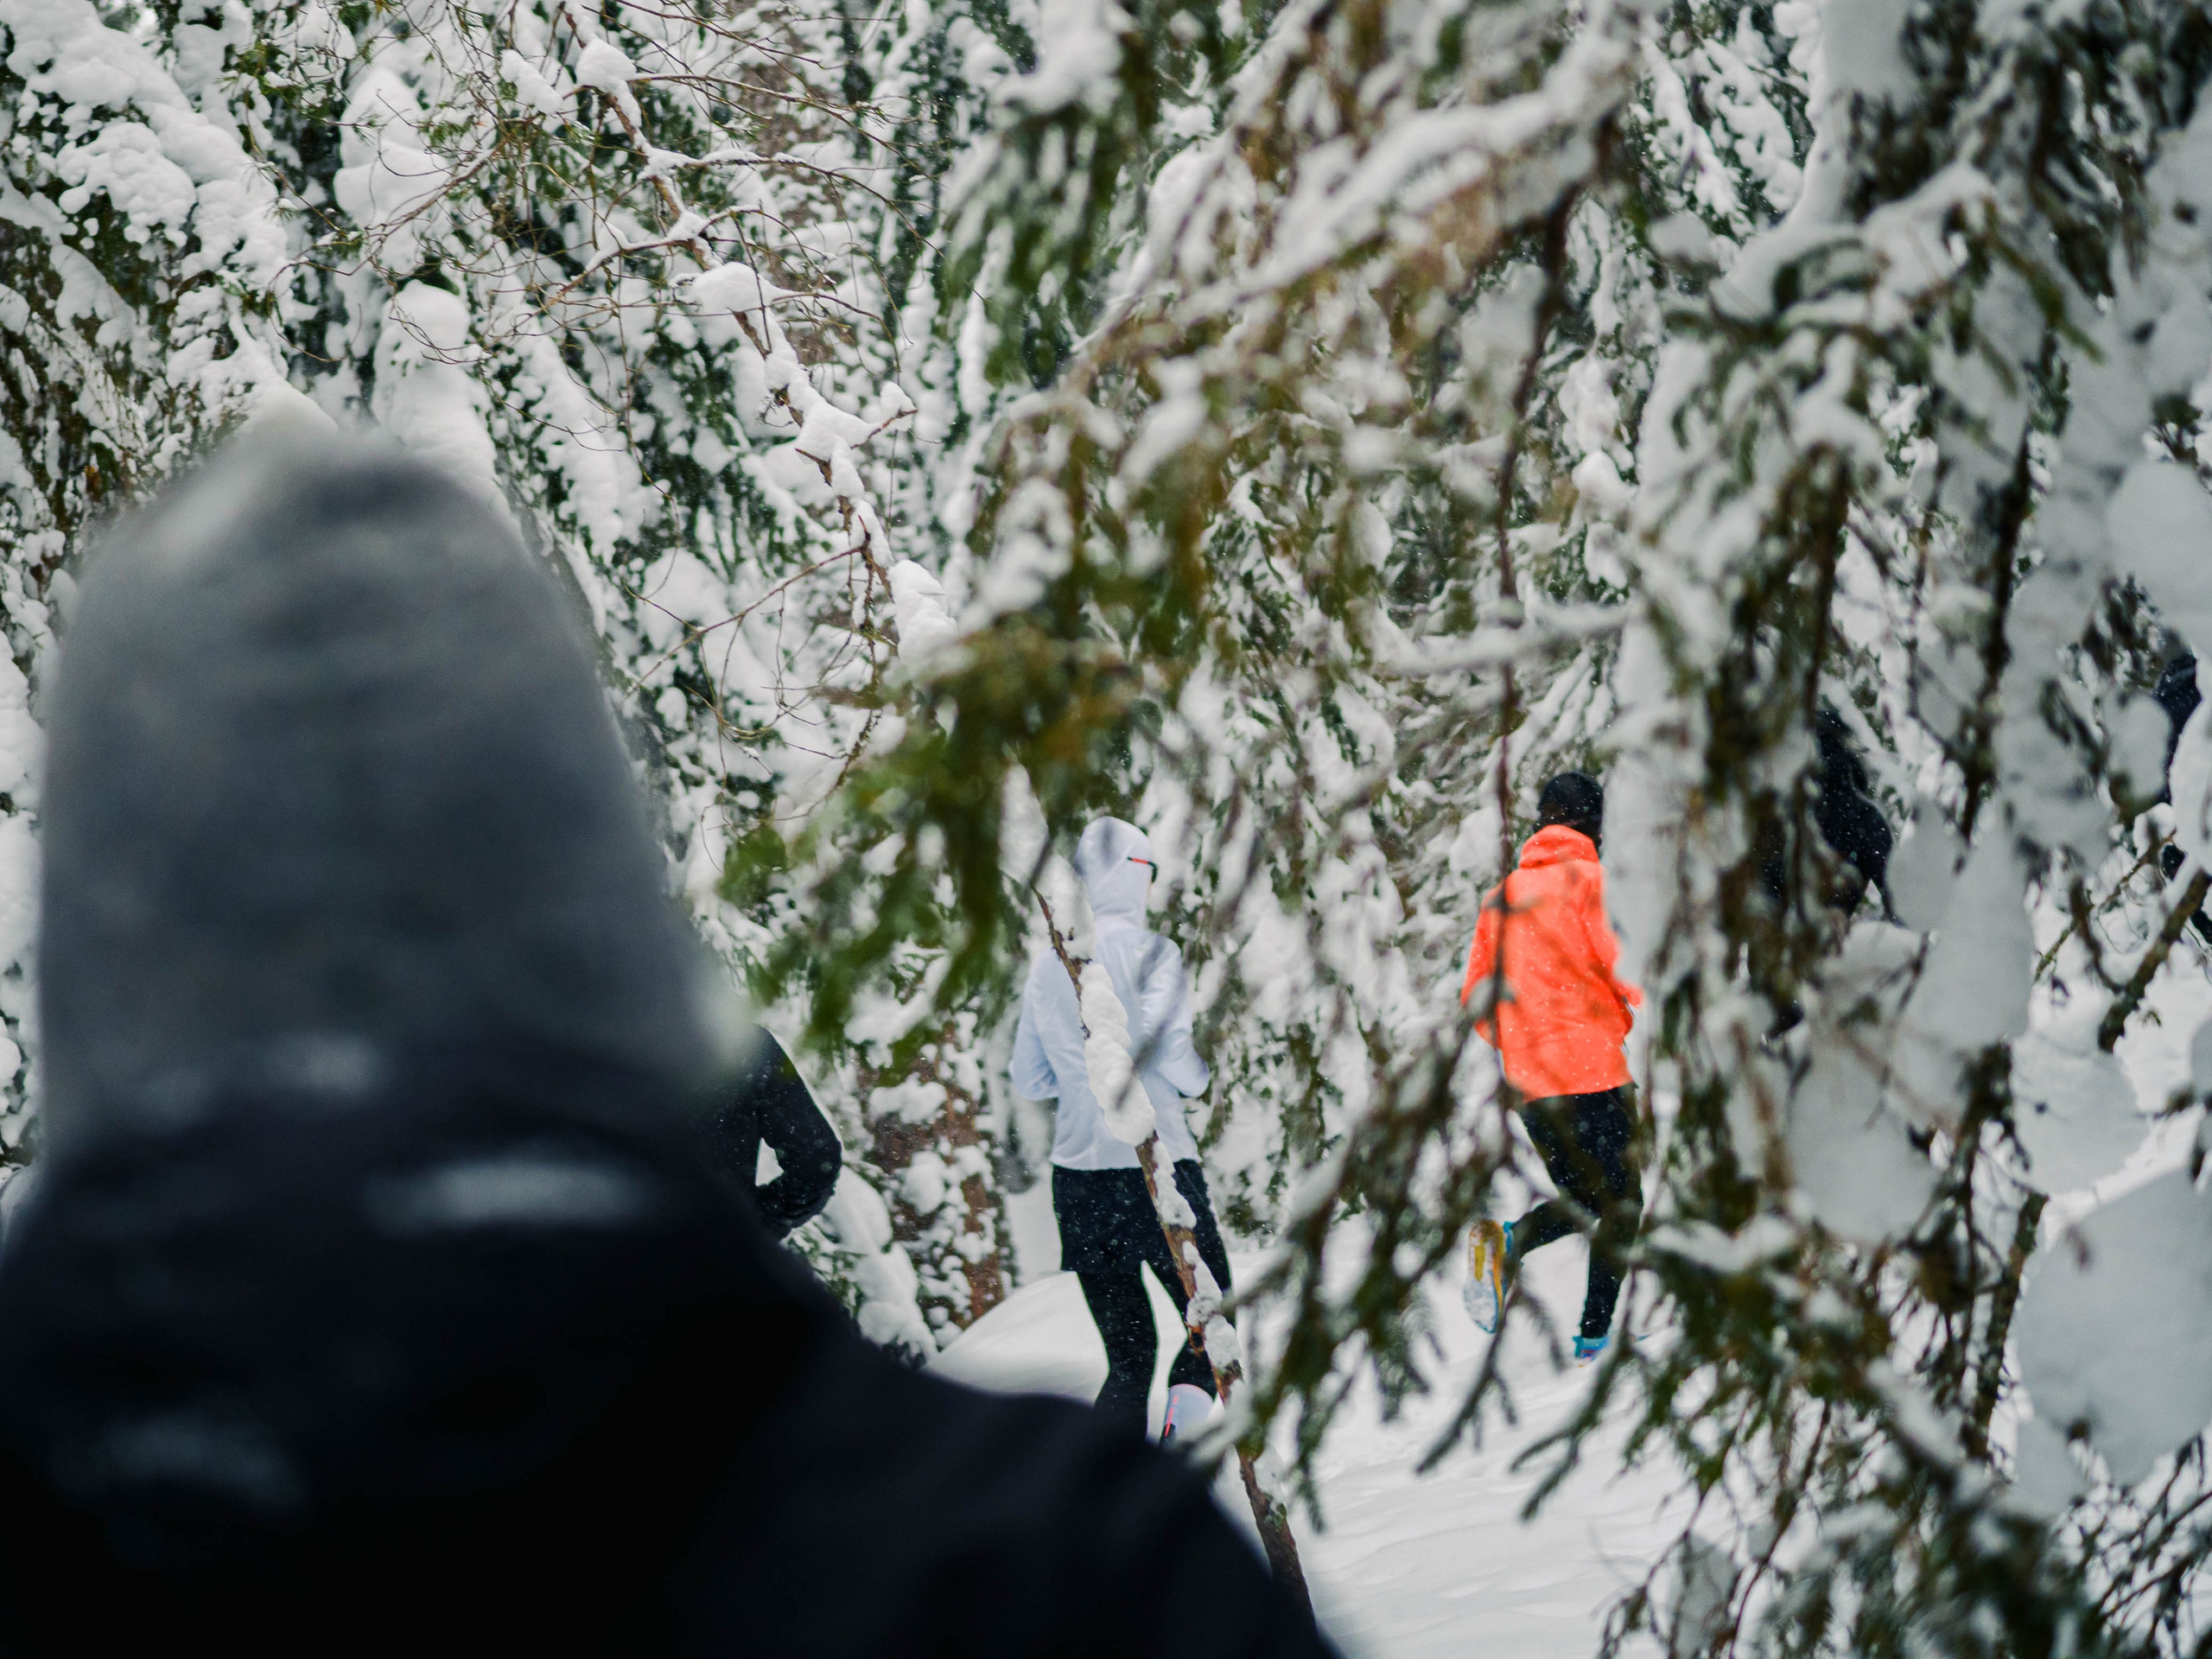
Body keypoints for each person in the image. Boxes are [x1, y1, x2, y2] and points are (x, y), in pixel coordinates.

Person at [0, 432, 1332, 1656]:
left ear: (105, 969)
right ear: (595, 914)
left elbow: (951, 1111)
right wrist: (735, 1223)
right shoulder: (1062, 1577)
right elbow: (816, 1161)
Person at [1011, 818, 1231, 1444]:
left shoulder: (1049, 963)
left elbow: (1030, 1081)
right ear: (1134, 875)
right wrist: (1195, 1080)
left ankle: (1112, 1495)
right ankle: (1172, 1459)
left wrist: (1082, 1082)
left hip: (1079, 1185)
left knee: (1128, 1356)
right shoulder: (1153, 953)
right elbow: (1177, 1062)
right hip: (1158, 1173)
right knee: (1215, 1325)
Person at [1459, 772, 1644, 1364]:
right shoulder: (1592, 882)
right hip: (1594, 1072)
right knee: (1622, 1203)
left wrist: (1521, 1044)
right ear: (1593, 822)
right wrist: (1615, 1013)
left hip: (1532, 1086)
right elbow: (1631, 975)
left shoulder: (1501, 898)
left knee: (1586, 1198)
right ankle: (1596, 1337)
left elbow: (1477, 1001)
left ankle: (1509, 1244)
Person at [701, 1026, 842, 1238]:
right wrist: (757, 1222)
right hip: (713, 1250)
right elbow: (817, 1159)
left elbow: (817, 1159)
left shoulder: (634, 1045)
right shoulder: (742, 1044)